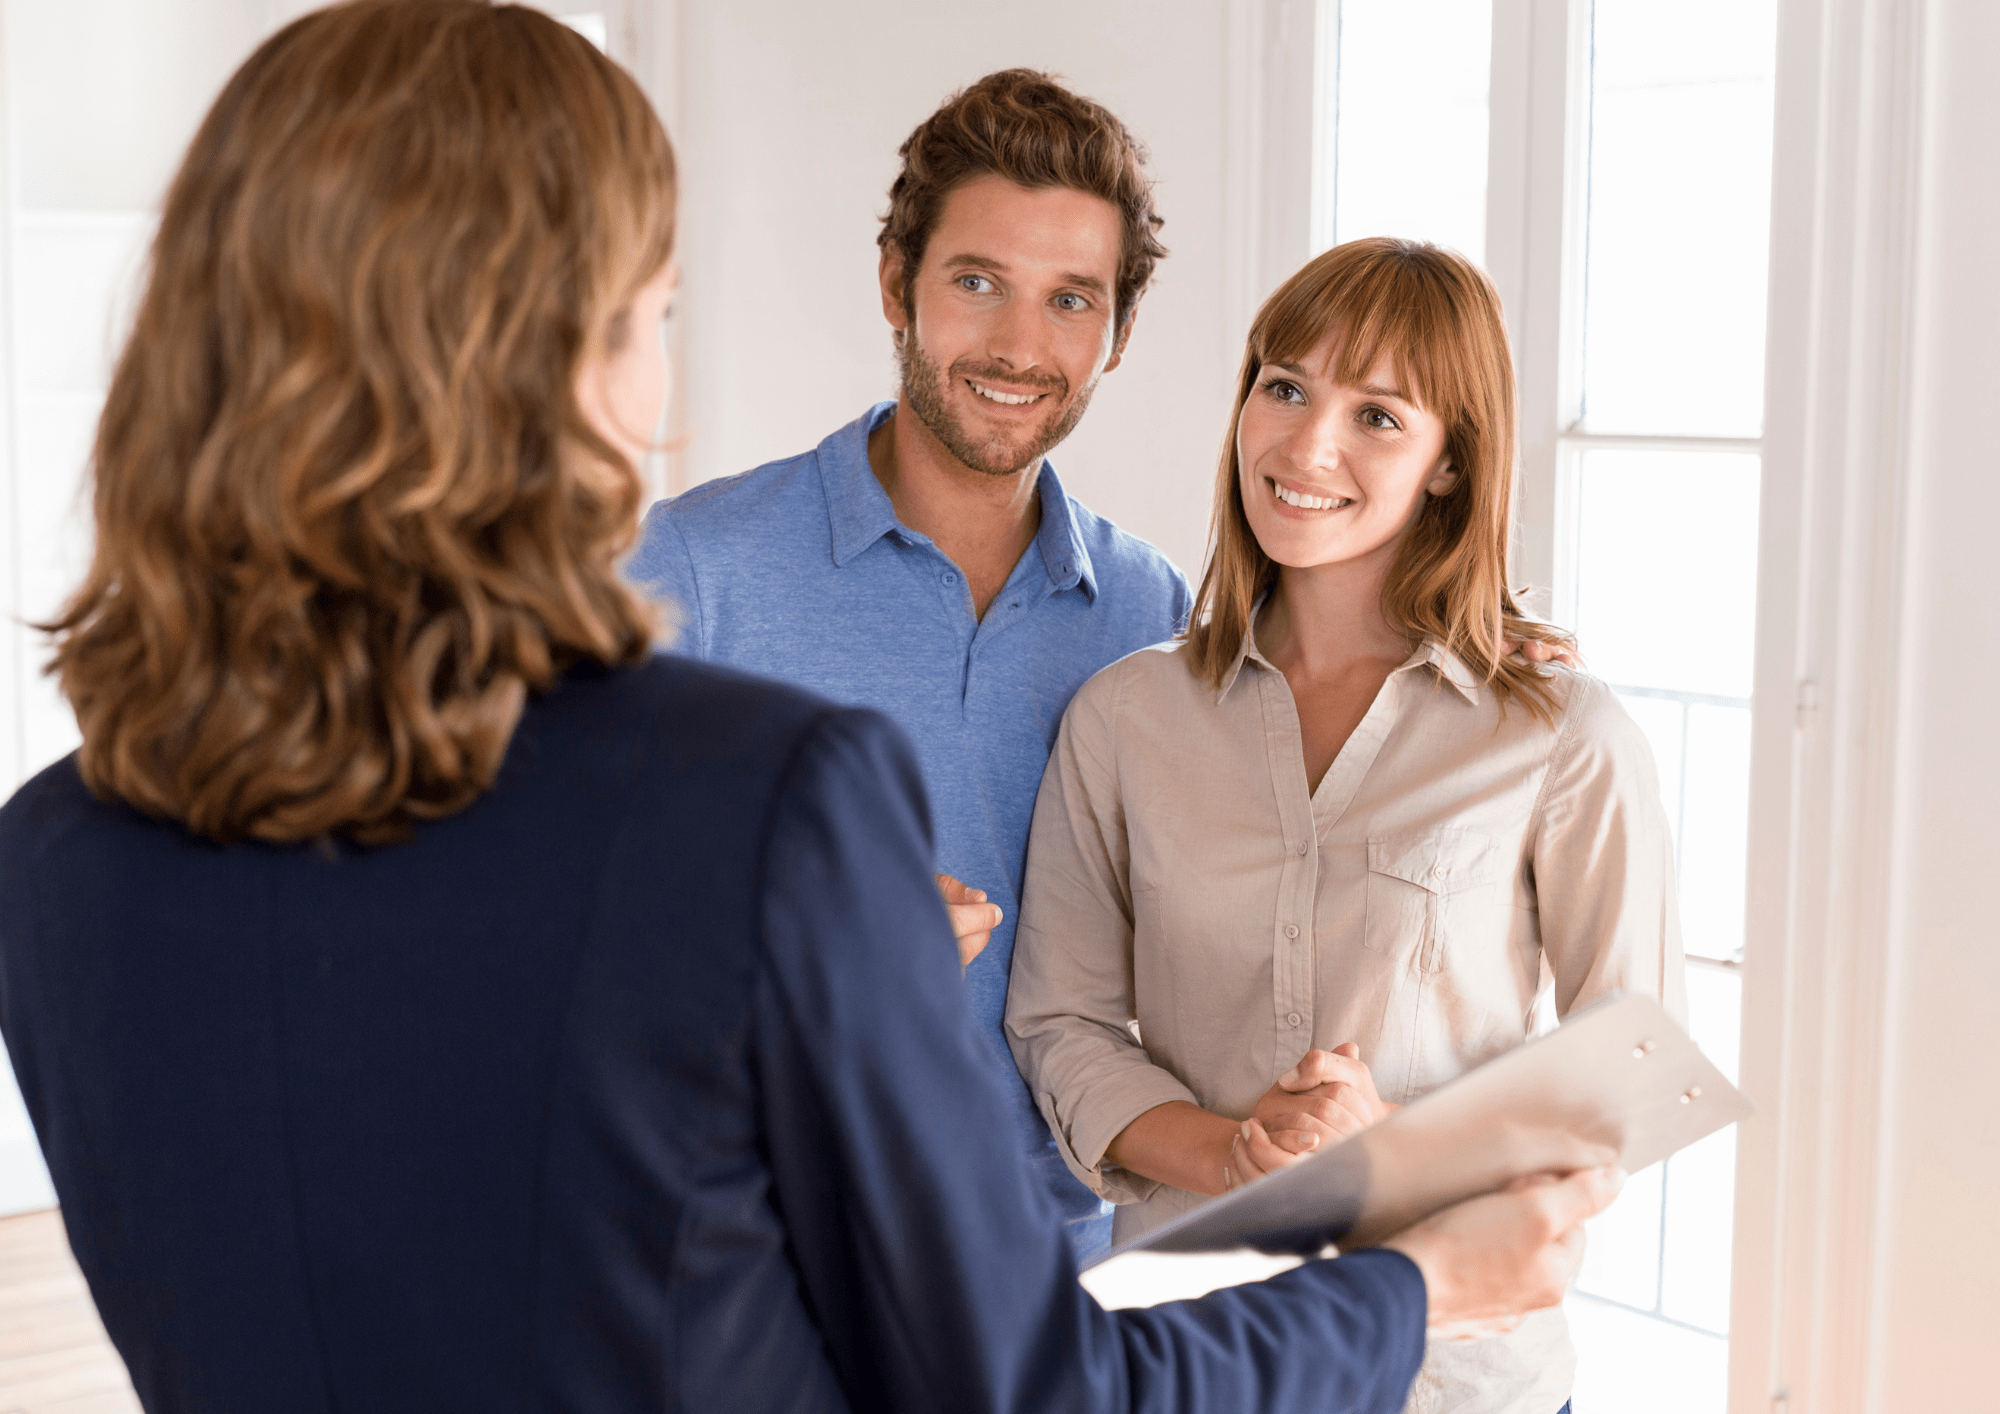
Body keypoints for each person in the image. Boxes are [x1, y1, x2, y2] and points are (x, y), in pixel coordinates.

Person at [0, 6, 1621, 1411]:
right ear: (567, 356)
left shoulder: (53, 859)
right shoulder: (758, 781)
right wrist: (1420, 1280)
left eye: (1073, 297)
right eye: (652, 313)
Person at [1006, 238, 1690, 1414]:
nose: (1305, 446)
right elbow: (1060, 1024)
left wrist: (1386, 1159)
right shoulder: (1123, 718)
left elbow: (1628, 1075)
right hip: (1188, 1358)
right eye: (1283, 386)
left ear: (1445, 462)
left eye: (1377, 414)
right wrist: (1235, 1154)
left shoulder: (1558, 735)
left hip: (1452, 1377)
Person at [626, 68, 1190, 1261]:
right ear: (897, 281)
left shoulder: (1150, 612)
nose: (1019, 346)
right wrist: (808, 932)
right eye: (976, 282)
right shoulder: (692, 568)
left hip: (1051, 1274)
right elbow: (556, 906)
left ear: (1119, 335)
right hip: (760, 1261)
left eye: (1071, 301)